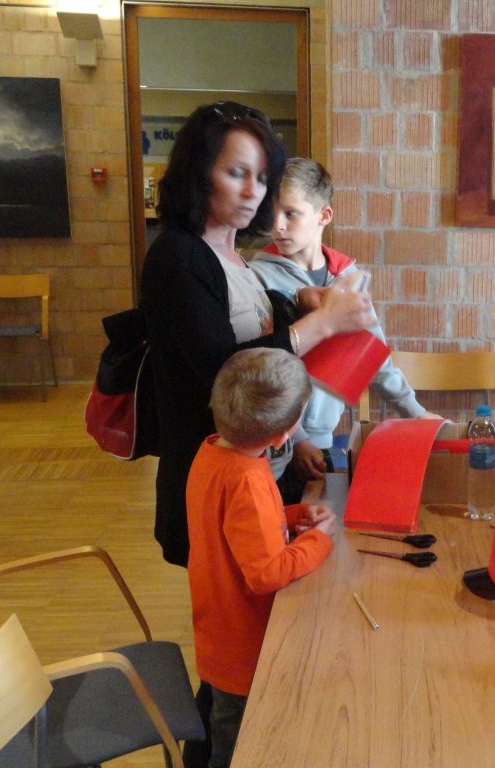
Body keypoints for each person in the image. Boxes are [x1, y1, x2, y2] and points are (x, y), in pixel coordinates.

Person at [141, 102, 375, 569]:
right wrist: (324, 322)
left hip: (266, 474)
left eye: (263, 178)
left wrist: (301, 304)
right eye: (236, 173)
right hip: (219, 484)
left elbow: (258, 345)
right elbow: (229, 372)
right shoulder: (178, 255)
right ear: (197, 173)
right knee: (236, 604)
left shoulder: (235, 258)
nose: (253, 191)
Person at [249, 158, 440, 494]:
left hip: (321, 441)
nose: (277, 225)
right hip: (273, 445)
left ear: (323, 216)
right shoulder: (258, 276)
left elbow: (372, 357)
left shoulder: (348, 278)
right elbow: (262, 368)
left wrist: (414, 411)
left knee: (317, 520)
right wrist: (297, 437)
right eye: (272, 213)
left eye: (291, 213)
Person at [186, 348, 335, 768]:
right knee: (237, 746)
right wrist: (318, 540)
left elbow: (234, 526)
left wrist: (293, 516)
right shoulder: (248, 479)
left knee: (220, 723)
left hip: (218, 630)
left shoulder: (213, 454)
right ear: (283, 435)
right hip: (245, 646)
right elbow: (268, 573)